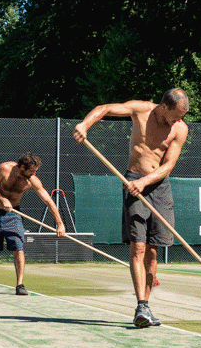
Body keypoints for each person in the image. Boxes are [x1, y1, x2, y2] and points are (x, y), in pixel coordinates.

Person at [73, 88, 189, 327]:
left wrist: (144, 182)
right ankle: (141, 306)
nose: (178, 121)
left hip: (158, 186)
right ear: (163, 107)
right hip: (132, 179)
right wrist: (85, 125)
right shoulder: (141, 110)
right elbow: (104, 109)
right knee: (138, 246)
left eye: (181, 116)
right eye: (175, 115)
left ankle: (146, 305)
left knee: (153, 251)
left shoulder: (180, 129)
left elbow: (168, 166)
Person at [0, 152, 66, 295]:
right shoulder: (4, 169)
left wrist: (59, 223)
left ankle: (20, 285)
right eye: (32, 171)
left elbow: (48, 201)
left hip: (14, 215)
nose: (34, 174)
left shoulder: (32, 180)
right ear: (22, 167)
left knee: (19, 248)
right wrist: (3, 200)